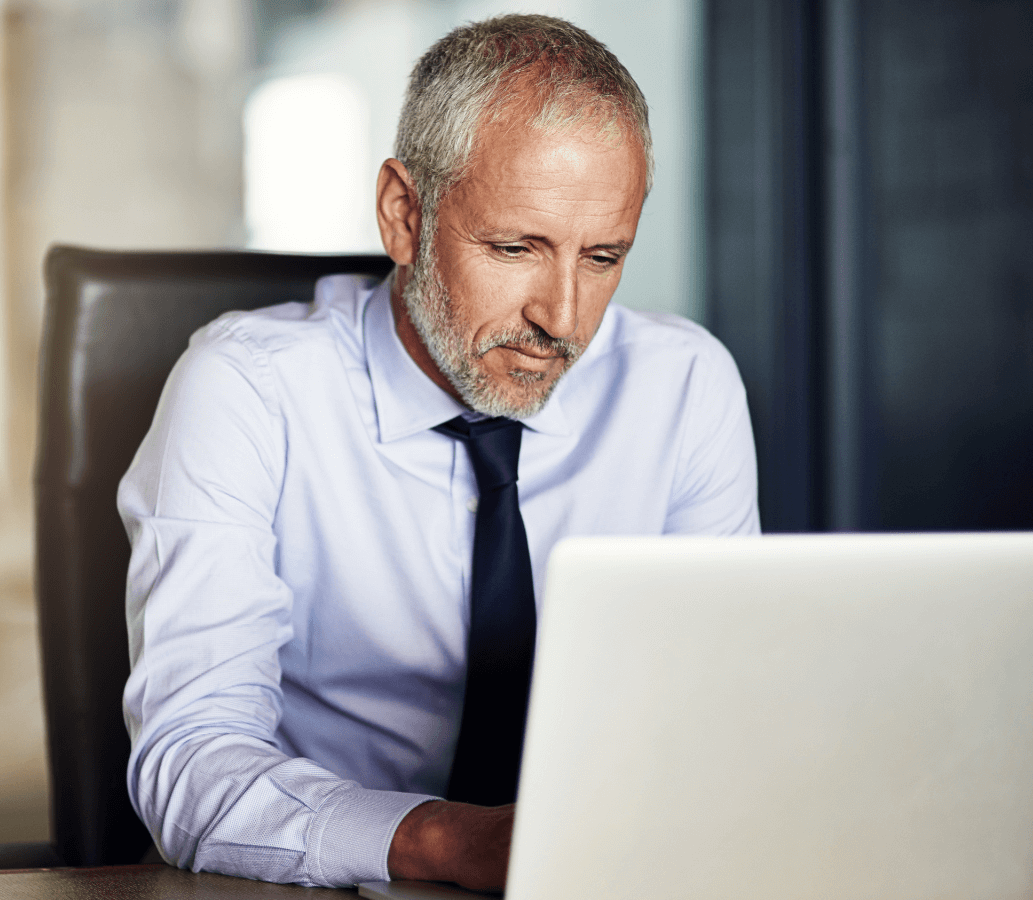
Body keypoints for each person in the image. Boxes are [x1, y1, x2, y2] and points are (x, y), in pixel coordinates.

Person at [118, 13, 759, 891]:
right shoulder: (248, 391)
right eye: (514, 248)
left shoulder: (684, 388)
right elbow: (189, 766)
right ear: (404, 214)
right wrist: (452, 844)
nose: (562, 319)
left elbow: (725, 724)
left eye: (604, 257)